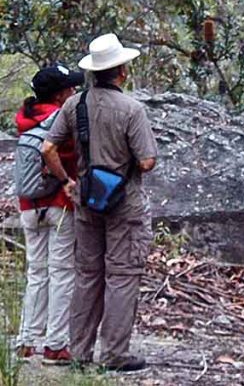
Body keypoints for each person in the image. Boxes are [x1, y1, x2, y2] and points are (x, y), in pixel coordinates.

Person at [41, 33, 158, 372]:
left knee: (88, 274)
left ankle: (79, 352)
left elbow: (47, 148)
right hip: (125, 203)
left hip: (85, 200)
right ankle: (115, 354)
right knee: (122, 276)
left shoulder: (74, 104)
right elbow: (148, 161)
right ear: (120, 70)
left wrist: (66, 182)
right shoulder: (131, 109)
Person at [13, 65, 85, 365]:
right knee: (61, 273)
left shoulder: (25, 119)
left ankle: (27, 340)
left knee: (36, 273)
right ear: (59, 94)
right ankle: (56, 344)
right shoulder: (62, 117)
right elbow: (55, 151)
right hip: (58, 203)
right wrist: (68, 180)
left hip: (28, 205)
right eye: (69, 88)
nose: (73, 92)